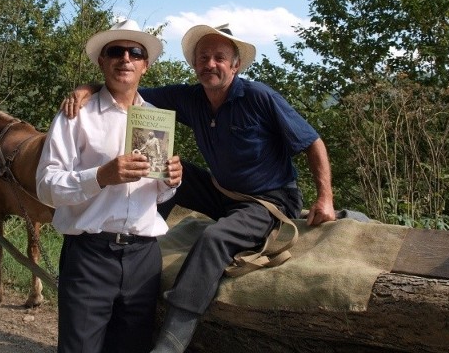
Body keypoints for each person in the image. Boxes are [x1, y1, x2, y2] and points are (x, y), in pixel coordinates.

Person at [64, 23, 336, 353]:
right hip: (225, 193)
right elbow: (127, 89)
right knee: (166, 168)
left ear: (235, 65)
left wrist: (325, 198)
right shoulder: (191, 98)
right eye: (203, 57)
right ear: (195, 65)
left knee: (213, 239)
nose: (211, 64)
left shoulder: (259, 97)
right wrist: (88, 88)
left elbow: (313, 142)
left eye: (220, 57)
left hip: (270, 200)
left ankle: (172, 340)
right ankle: (139, 244)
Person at [36, 19, 183, 353]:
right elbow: (46, 187)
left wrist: (171, 181)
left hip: (144, 258)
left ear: (146, 65)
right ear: (102, 61)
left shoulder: (157, 120)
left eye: (135, 52)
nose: (125, 58)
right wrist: (101, 176)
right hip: (90, 257)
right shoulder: (75, 116)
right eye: (115, 51)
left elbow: (156, 192)